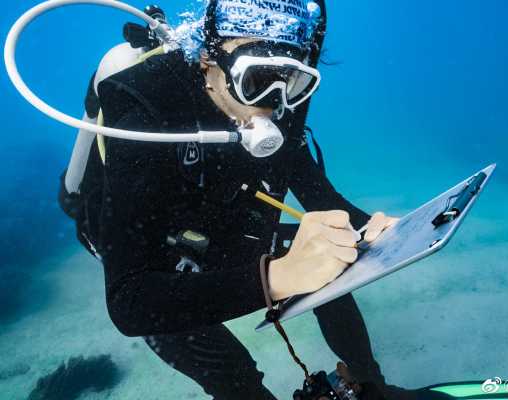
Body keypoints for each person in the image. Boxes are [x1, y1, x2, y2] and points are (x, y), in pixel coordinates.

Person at [60, 0, 403, 398]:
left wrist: (370, 228)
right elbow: (130, 300)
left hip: (218, 224)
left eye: (291, 81)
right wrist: (277, 278)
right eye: (256, 80)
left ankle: (368, 384)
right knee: (231, 369)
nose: (272, 105)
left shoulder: (281, 100)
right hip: (150, 251)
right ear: (209, 57)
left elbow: (318, 196)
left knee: (332, 253)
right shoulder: (145, 109)